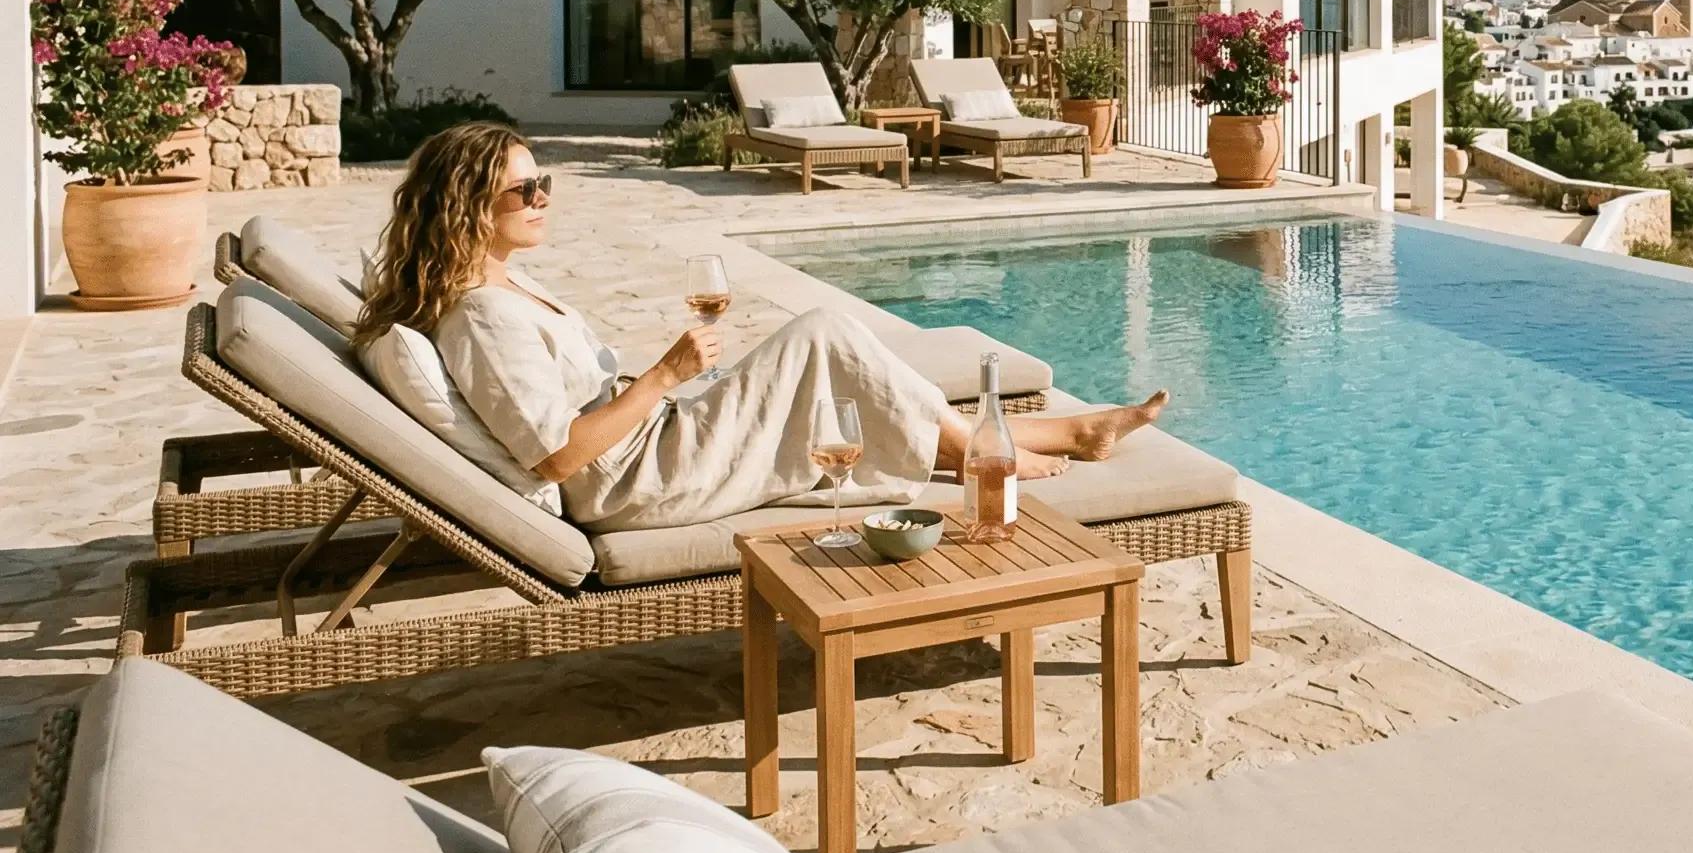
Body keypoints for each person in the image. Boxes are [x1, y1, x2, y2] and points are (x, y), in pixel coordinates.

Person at [352, 122, 1167, 532]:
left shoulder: (501, 285)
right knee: (823, 336)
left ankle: (1043, 436)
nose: (543, 201)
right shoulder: (480, 316)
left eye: (544, 183)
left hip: (652, 440)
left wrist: (665, 384)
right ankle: (1004, 452)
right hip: (634, 479)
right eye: (523, 193)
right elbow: (556, 455)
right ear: (467, 210)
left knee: (826, 364)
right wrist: (666, 376)